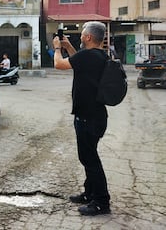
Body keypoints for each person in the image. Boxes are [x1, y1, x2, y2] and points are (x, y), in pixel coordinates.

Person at [53, 21, 111, 216]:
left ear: (88, 37)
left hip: (88, 117)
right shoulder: (99, 55)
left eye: (82, 34)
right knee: (89, 155)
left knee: (90, 159)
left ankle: (101, 202)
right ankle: (89, 193)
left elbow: (59, 65)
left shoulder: (88, 56)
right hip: (96, 115)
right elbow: (79, 62)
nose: (80, 37)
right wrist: (68, 46)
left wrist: (57, 49)